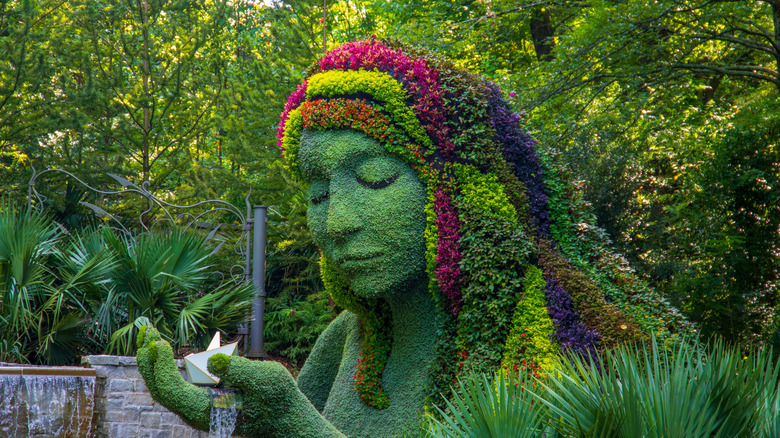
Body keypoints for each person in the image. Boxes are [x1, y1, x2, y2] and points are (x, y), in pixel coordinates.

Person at [136, 38, 690, 438]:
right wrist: (215, 414)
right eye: (319, 192)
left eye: (375, 177)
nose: (336, 222)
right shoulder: (344, 340)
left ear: (456, 189)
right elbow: (280, 427)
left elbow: (297, 423)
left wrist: (292, 420)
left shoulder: (547, 343)